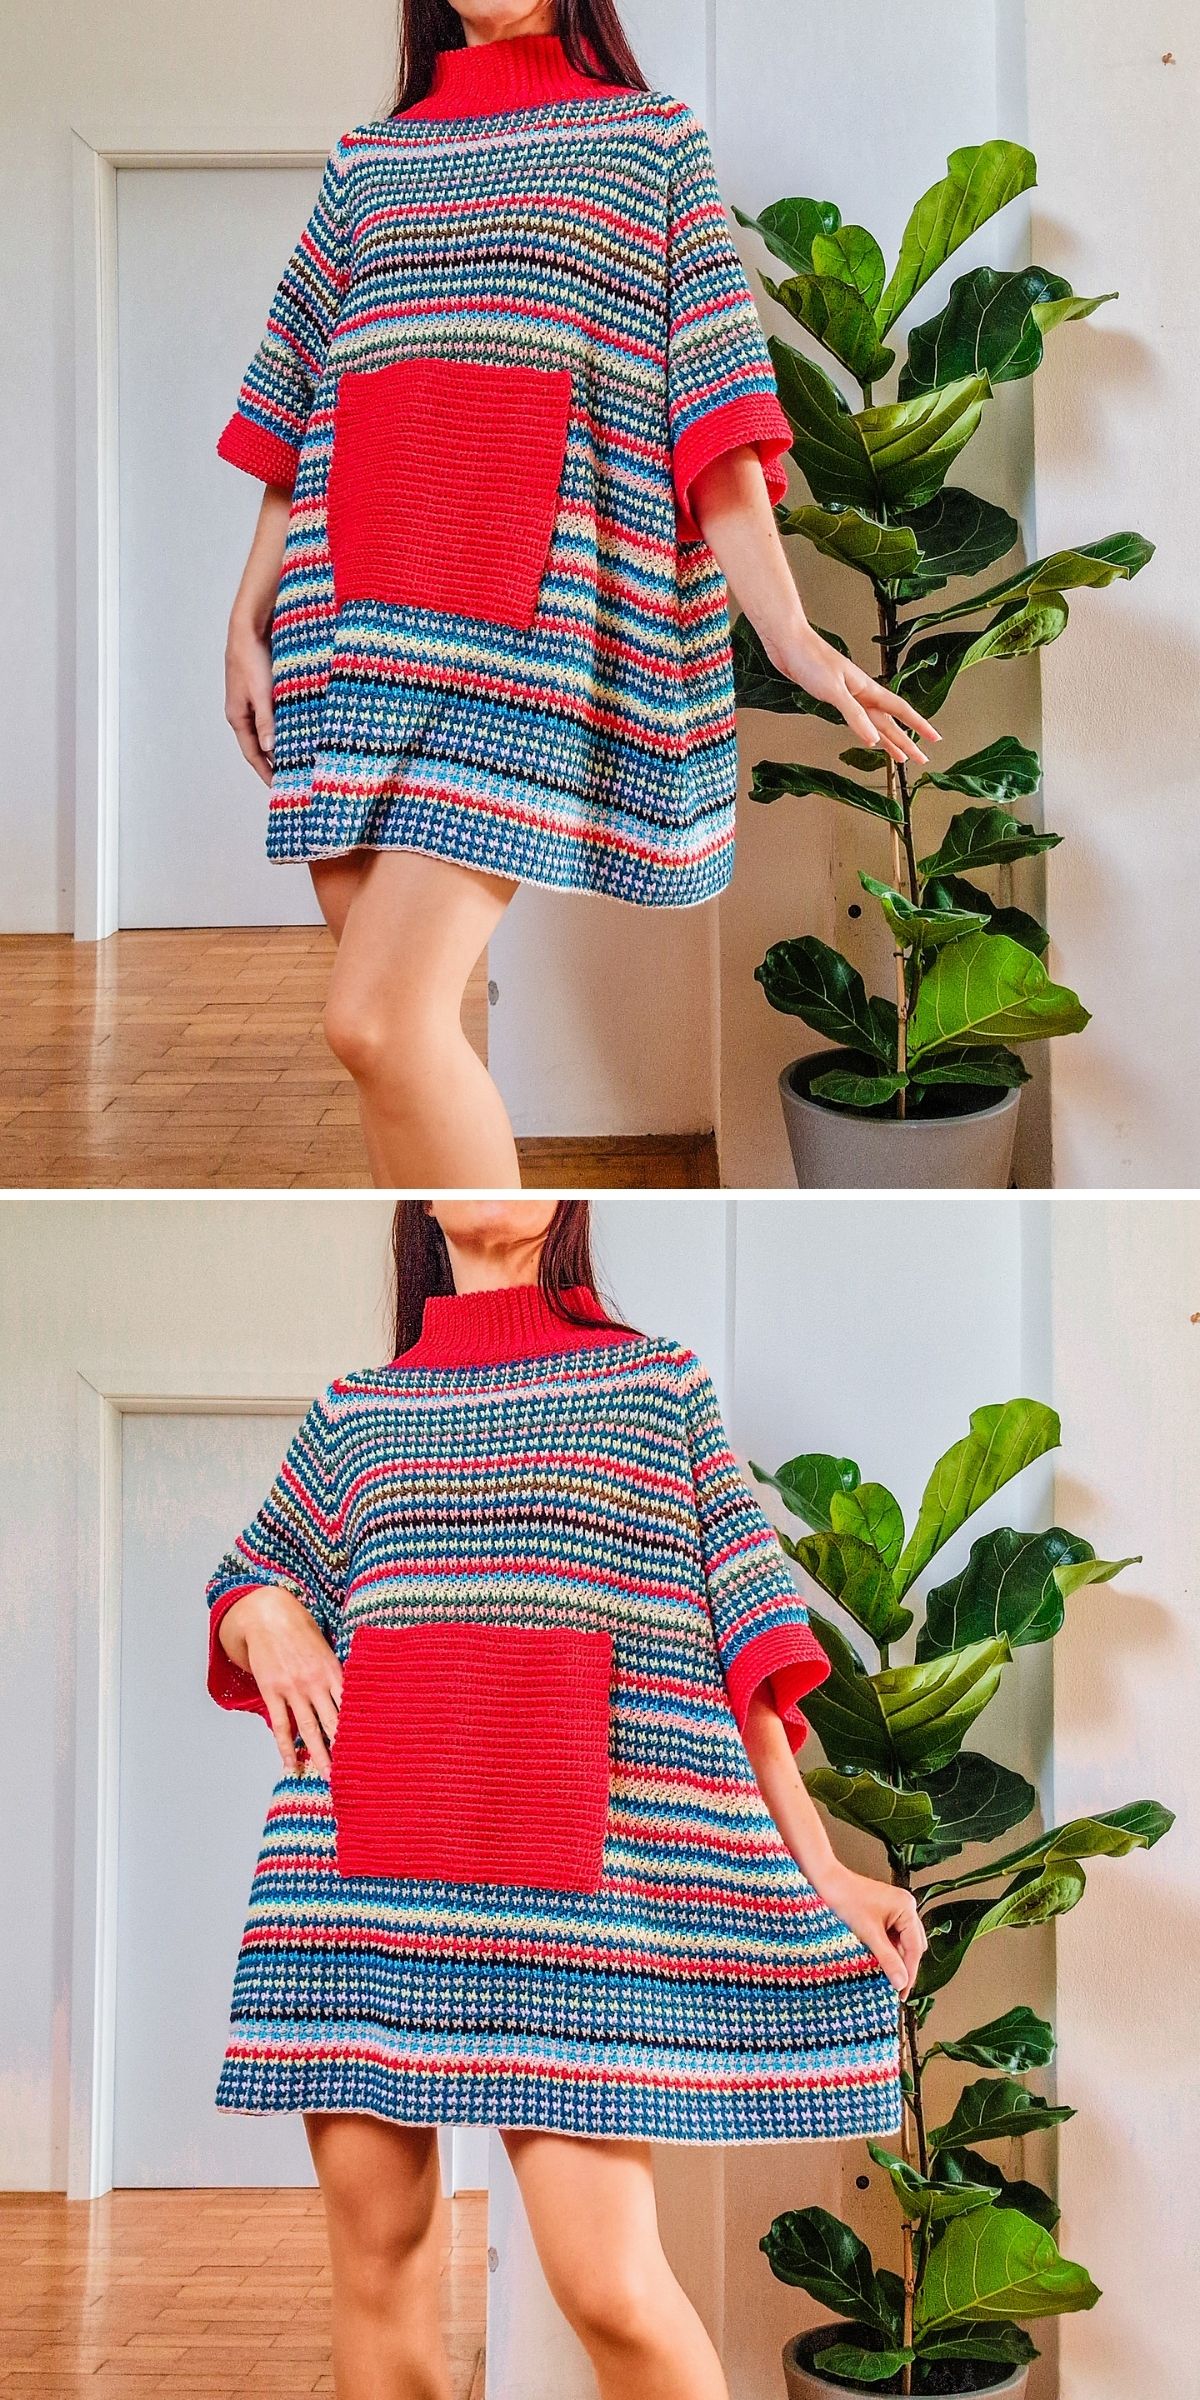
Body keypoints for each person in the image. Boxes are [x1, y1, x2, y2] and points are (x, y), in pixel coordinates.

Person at [206, 1198, 926, 2400]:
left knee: (610, 2289)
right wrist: (261, 1609)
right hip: (359, 1890)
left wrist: (829, 1870)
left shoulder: (658, 1387)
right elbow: (255, 1570)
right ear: (422, 1200)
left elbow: (747, 1651)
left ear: (571, 1201)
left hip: (573, 1907)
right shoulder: (356, 1413)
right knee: (378, 2264)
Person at [220, 1, 939, 1187]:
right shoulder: (369, 163)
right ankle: (467, 1288)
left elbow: (711, 418)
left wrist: (794, 635)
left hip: (521, 635)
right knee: (402, 1044)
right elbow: (300, 409)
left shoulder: (646, 144)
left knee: (376, 1022)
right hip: (345, 628)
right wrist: (244, 621)